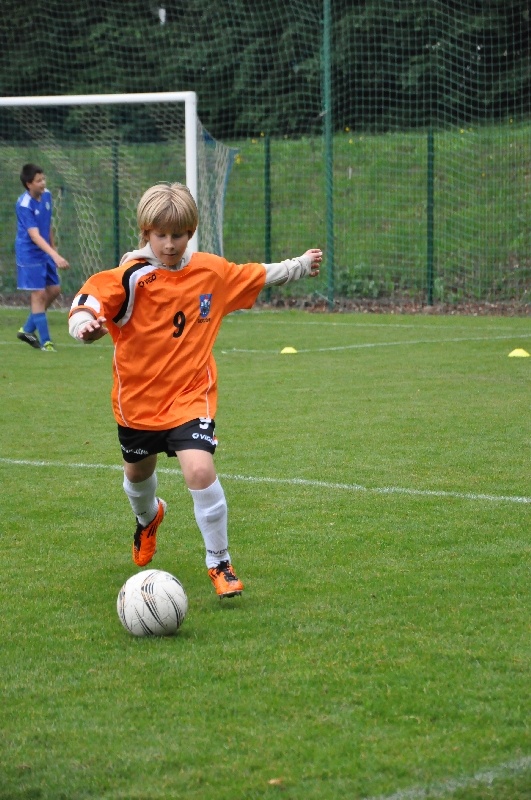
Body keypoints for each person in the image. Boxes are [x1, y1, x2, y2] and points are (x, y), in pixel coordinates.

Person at [68, 182, 322, 598]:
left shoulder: (210, 272)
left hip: (191, 396)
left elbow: (257, 273)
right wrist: (84, 326)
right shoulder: (129, 277)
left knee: (200, 470)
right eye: (161, 235)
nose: (170, 244)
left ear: (192, 232)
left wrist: (299, 264)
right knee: (137, 475)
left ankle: (219, 562)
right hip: (138, 403)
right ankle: (148, 518)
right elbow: (89, 300)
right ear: (145, 233)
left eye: (179, 235)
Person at [15, 163, 70, 352]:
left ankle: (27, 329)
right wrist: (54, 255)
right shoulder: (24, 204)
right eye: (39, 181)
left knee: (54, 290)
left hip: (45, 251)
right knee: (38, 295)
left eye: (43, 179)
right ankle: (47, 343)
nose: (43, 183)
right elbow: (34, 235)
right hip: (29, 254)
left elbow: (47, 225)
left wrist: (53, 249)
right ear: (29, 184)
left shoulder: (47, 196)